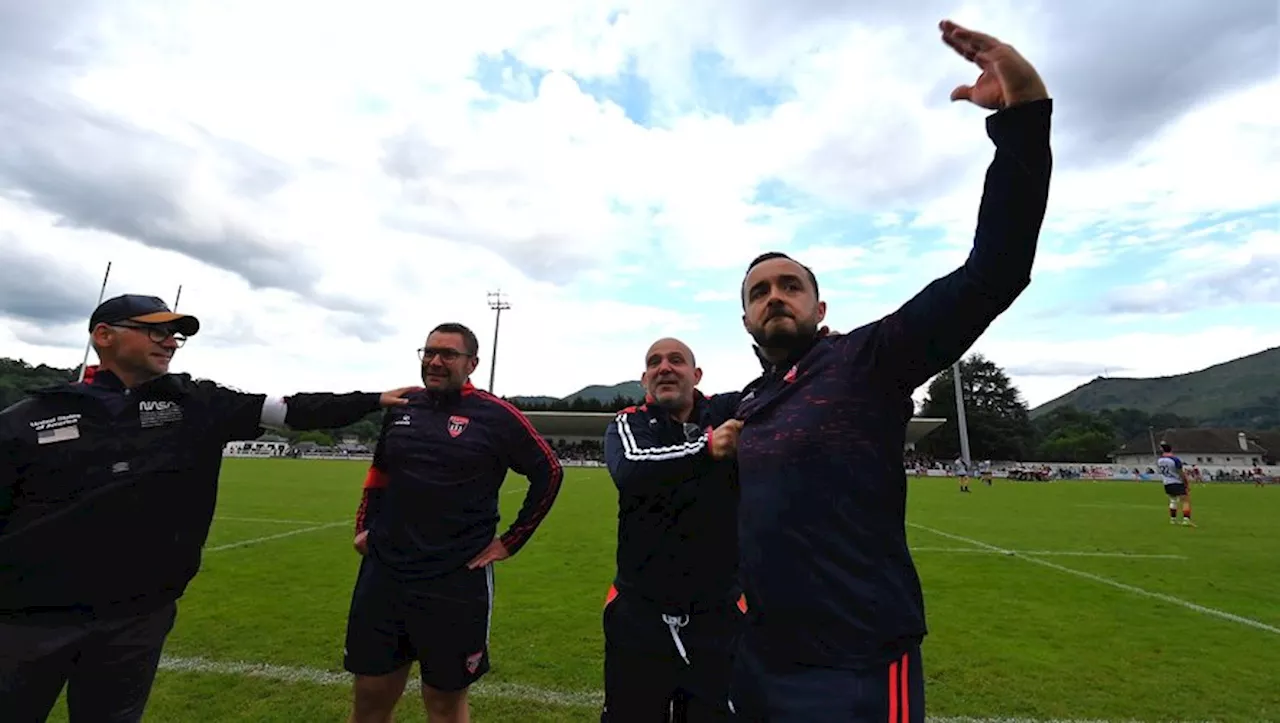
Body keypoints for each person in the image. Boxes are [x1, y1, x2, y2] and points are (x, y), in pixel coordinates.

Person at [727, 20, 1053, 722]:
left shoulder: (867, 359)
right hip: (756, 653)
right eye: (759, 291)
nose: (774, 295)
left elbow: (994, 271)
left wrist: (1023, 123)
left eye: (790, 285)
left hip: (859, 660)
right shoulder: (749, 401)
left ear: (820, 305)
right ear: (746, 321)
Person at [0, 294, 417, 723]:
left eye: (175, 335)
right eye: (155, 331)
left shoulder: (196, 403)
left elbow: (291, 409)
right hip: (28, 620)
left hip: (135, 616)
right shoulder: (30, 417)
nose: (170, 342)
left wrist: (373, 399)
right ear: (104, 336)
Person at [343, 322, 564, 723]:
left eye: (448, 354)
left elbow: (549, 471)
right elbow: (379, 473)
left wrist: (510, 542)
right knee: (370, 696)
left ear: (472, 363)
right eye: (429, 352)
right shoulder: (402, 406)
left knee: (443, 702)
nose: (435, 361)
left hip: (454, 579)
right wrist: (364, 525)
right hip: (385, 574)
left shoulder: (497, 416)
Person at [600, 338, 745, 722]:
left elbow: (781, 389)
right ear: (644, 379)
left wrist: (815, 357)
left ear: (696, 376)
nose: (664, 367)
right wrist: (706, 448)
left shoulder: (728, 408)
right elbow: (632, 469)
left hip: (718, 614)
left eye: (676, 360)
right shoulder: (629, 422)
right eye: (654, 362)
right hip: (639, 613)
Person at [1156, 442, 1194, 527]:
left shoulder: (1159, 460)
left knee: (1173, 500)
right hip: (1177, 482)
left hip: (1166, 483)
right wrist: (1186, 483)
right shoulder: (1175, 459)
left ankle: (1173, 519)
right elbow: (1181, 473)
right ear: (1171, 449)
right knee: (1185, 501)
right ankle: (1186, 520)